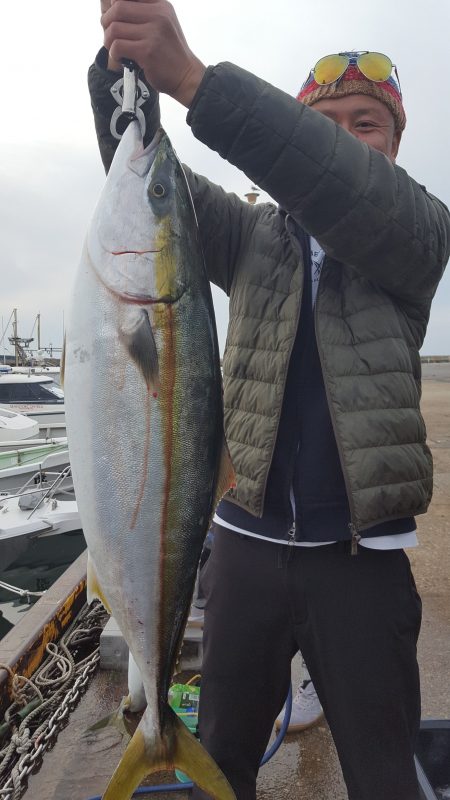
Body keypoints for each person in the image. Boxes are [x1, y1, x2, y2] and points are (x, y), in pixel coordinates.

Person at [91, 5, 450, 798]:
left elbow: (335, 178)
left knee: (385, 778)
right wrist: (122, 79)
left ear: (395, 143)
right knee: (222, 761)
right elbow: (149, 197)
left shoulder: (416, 233)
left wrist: (195, 79)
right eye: (325, 121)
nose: (345, 137)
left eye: (365, 123)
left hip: (362, 563)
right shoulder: (253, 236)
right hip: (243, 552)